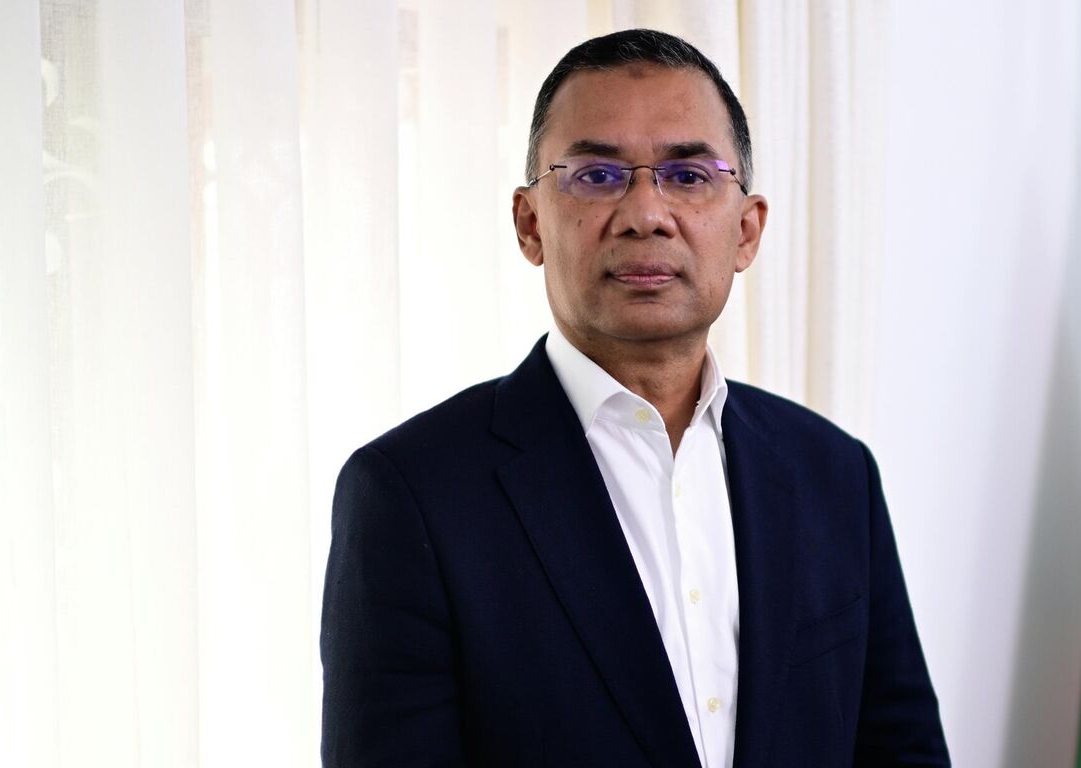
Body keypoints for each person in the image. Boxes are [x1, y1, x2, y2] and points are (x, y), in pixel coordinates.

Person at [320, 28, 948, 767]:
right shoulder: (412, 494)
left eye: (688, 175)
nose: (646, 212)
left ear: (746, 231)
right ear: (530, 224)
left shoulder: (834, 475)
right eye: (596, 175)